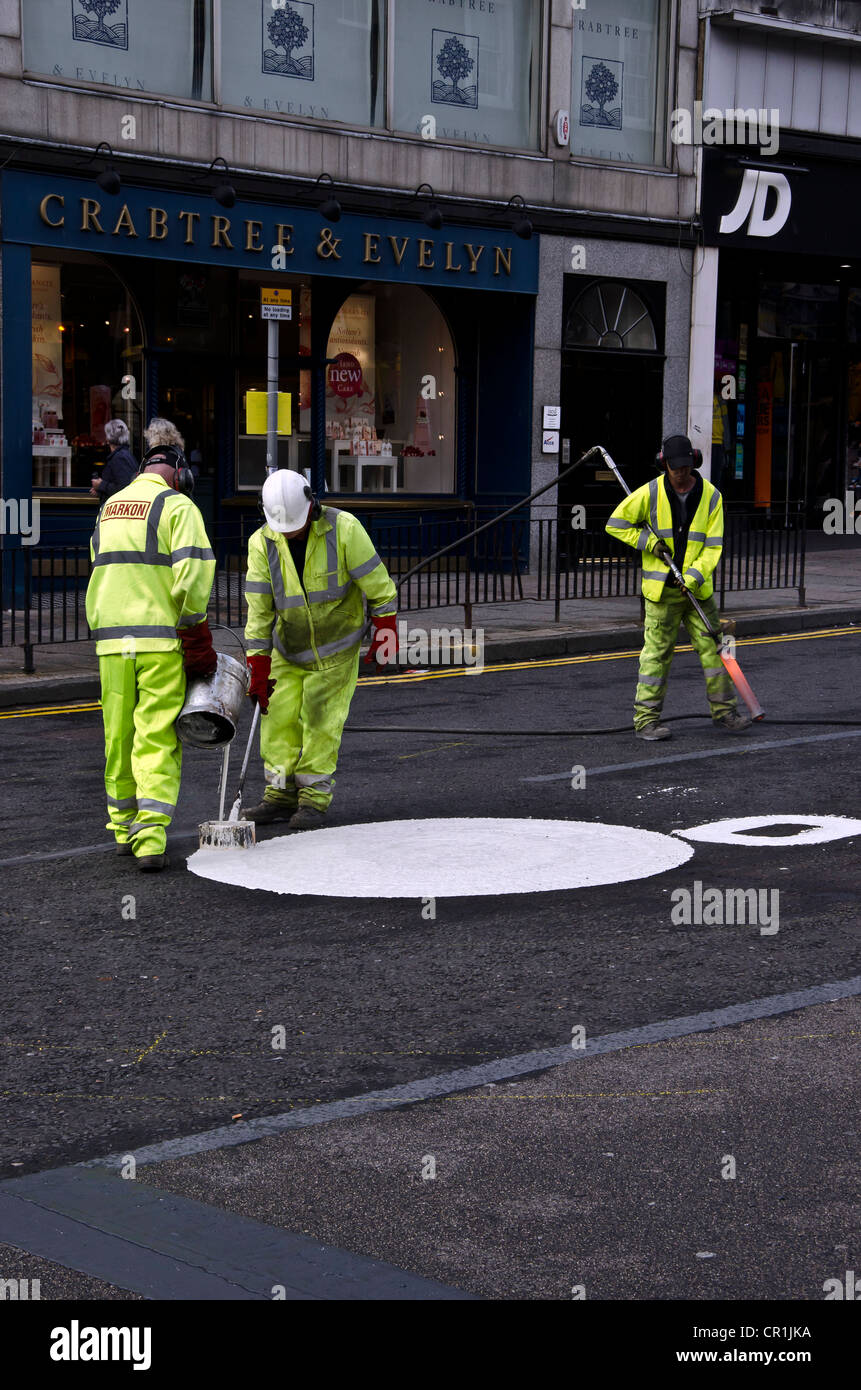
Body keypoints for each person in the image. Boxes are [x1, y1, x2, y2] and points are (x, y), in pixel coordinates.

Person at [85, 418, 217, 870]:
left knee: (117, 735)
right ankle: (151, 839)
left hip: (110, 642)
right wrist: (195, 632)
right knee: (156, 735)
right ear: (179, 471)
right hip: (160, 641)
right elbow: (194, 577)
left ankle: (123, 828)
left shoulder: (109, 508)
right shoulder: (178, 508)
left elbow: (100, 566)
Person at [243, 468, 397, 830]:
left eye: (293, 525)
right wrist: (258, 665)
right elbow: (259, 612)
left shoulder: (344, 529)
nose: (288, 532)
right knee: (277, 723)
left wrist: (385, 628)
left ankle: (312, 800)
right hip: (287, 649)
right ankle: (279, 795)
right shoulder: (262, 543)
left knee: (320, 722)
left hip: (336, 649)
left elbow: (378, 585)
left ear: (312, 506)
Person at [605, 434, 751, 741]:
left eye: (685, 467)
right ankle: (646, 721)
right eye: (675, 468)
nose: (681, 473)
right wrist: (649, 543)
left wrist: (695, 577)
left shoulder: (711, 496)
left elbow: (713, 546)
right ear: (664, 465)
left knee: (716, 652)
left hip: (698, 591)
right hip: (662, 593)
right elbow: (616, 524)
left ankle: (725, 713)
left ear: (694, 462)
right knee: (656, 657)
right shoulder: (649, 493)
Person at [90, 419, 138, 501]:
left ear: (108, 439)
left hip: (119, 511)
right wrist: (101, 491)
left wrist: (101, 485)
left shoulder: (120, 458)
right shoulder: (124, 454)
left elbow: (124, 489)